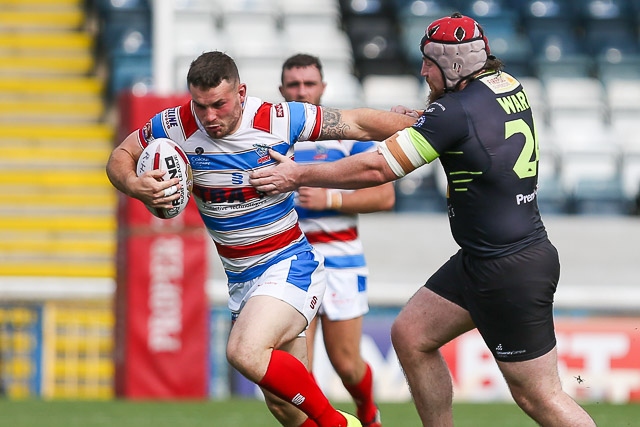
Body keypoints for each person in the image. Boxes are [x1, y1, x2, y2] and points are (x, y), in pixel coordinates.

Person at [250, 13, 597, 427]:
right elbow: (466, 124)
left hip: (508, 268)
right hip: (485, 258)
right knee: (411, 335)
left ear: (453, 66)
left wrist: (298, 173)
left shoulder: (452, 114)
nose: (422, 70)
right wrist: (424, 116)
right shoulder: (506, 85)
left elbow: (377, 171)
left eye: (429, 62)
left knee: (539, 396)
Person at [105, 51, 411, 427]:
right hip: (242, 280)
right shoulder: (175, 124)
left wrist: (430, 125)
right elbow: (121, 154)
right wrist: (136, 186)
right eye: (201, 106)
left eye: (219, 104)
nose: (210, 117)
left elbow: (357, 123)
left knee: (245, 352)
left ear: (242, 92)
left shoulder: (278, 119)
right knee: (287, 409)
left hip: (290, 265)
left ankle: (339, 422)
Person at [279, 53, 393, 427]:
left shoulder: (345, 135)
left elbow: (384, 196)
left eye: (309, 84)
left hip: (341, 260)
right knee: (299, 368)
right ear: (282, 90)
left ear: (322, 88)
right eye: (294, 85)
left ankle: (367, 412)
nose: (301, 91)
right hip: (291, 263)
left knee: (346, 364)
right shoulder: (271, 139)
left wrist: (331, 198)